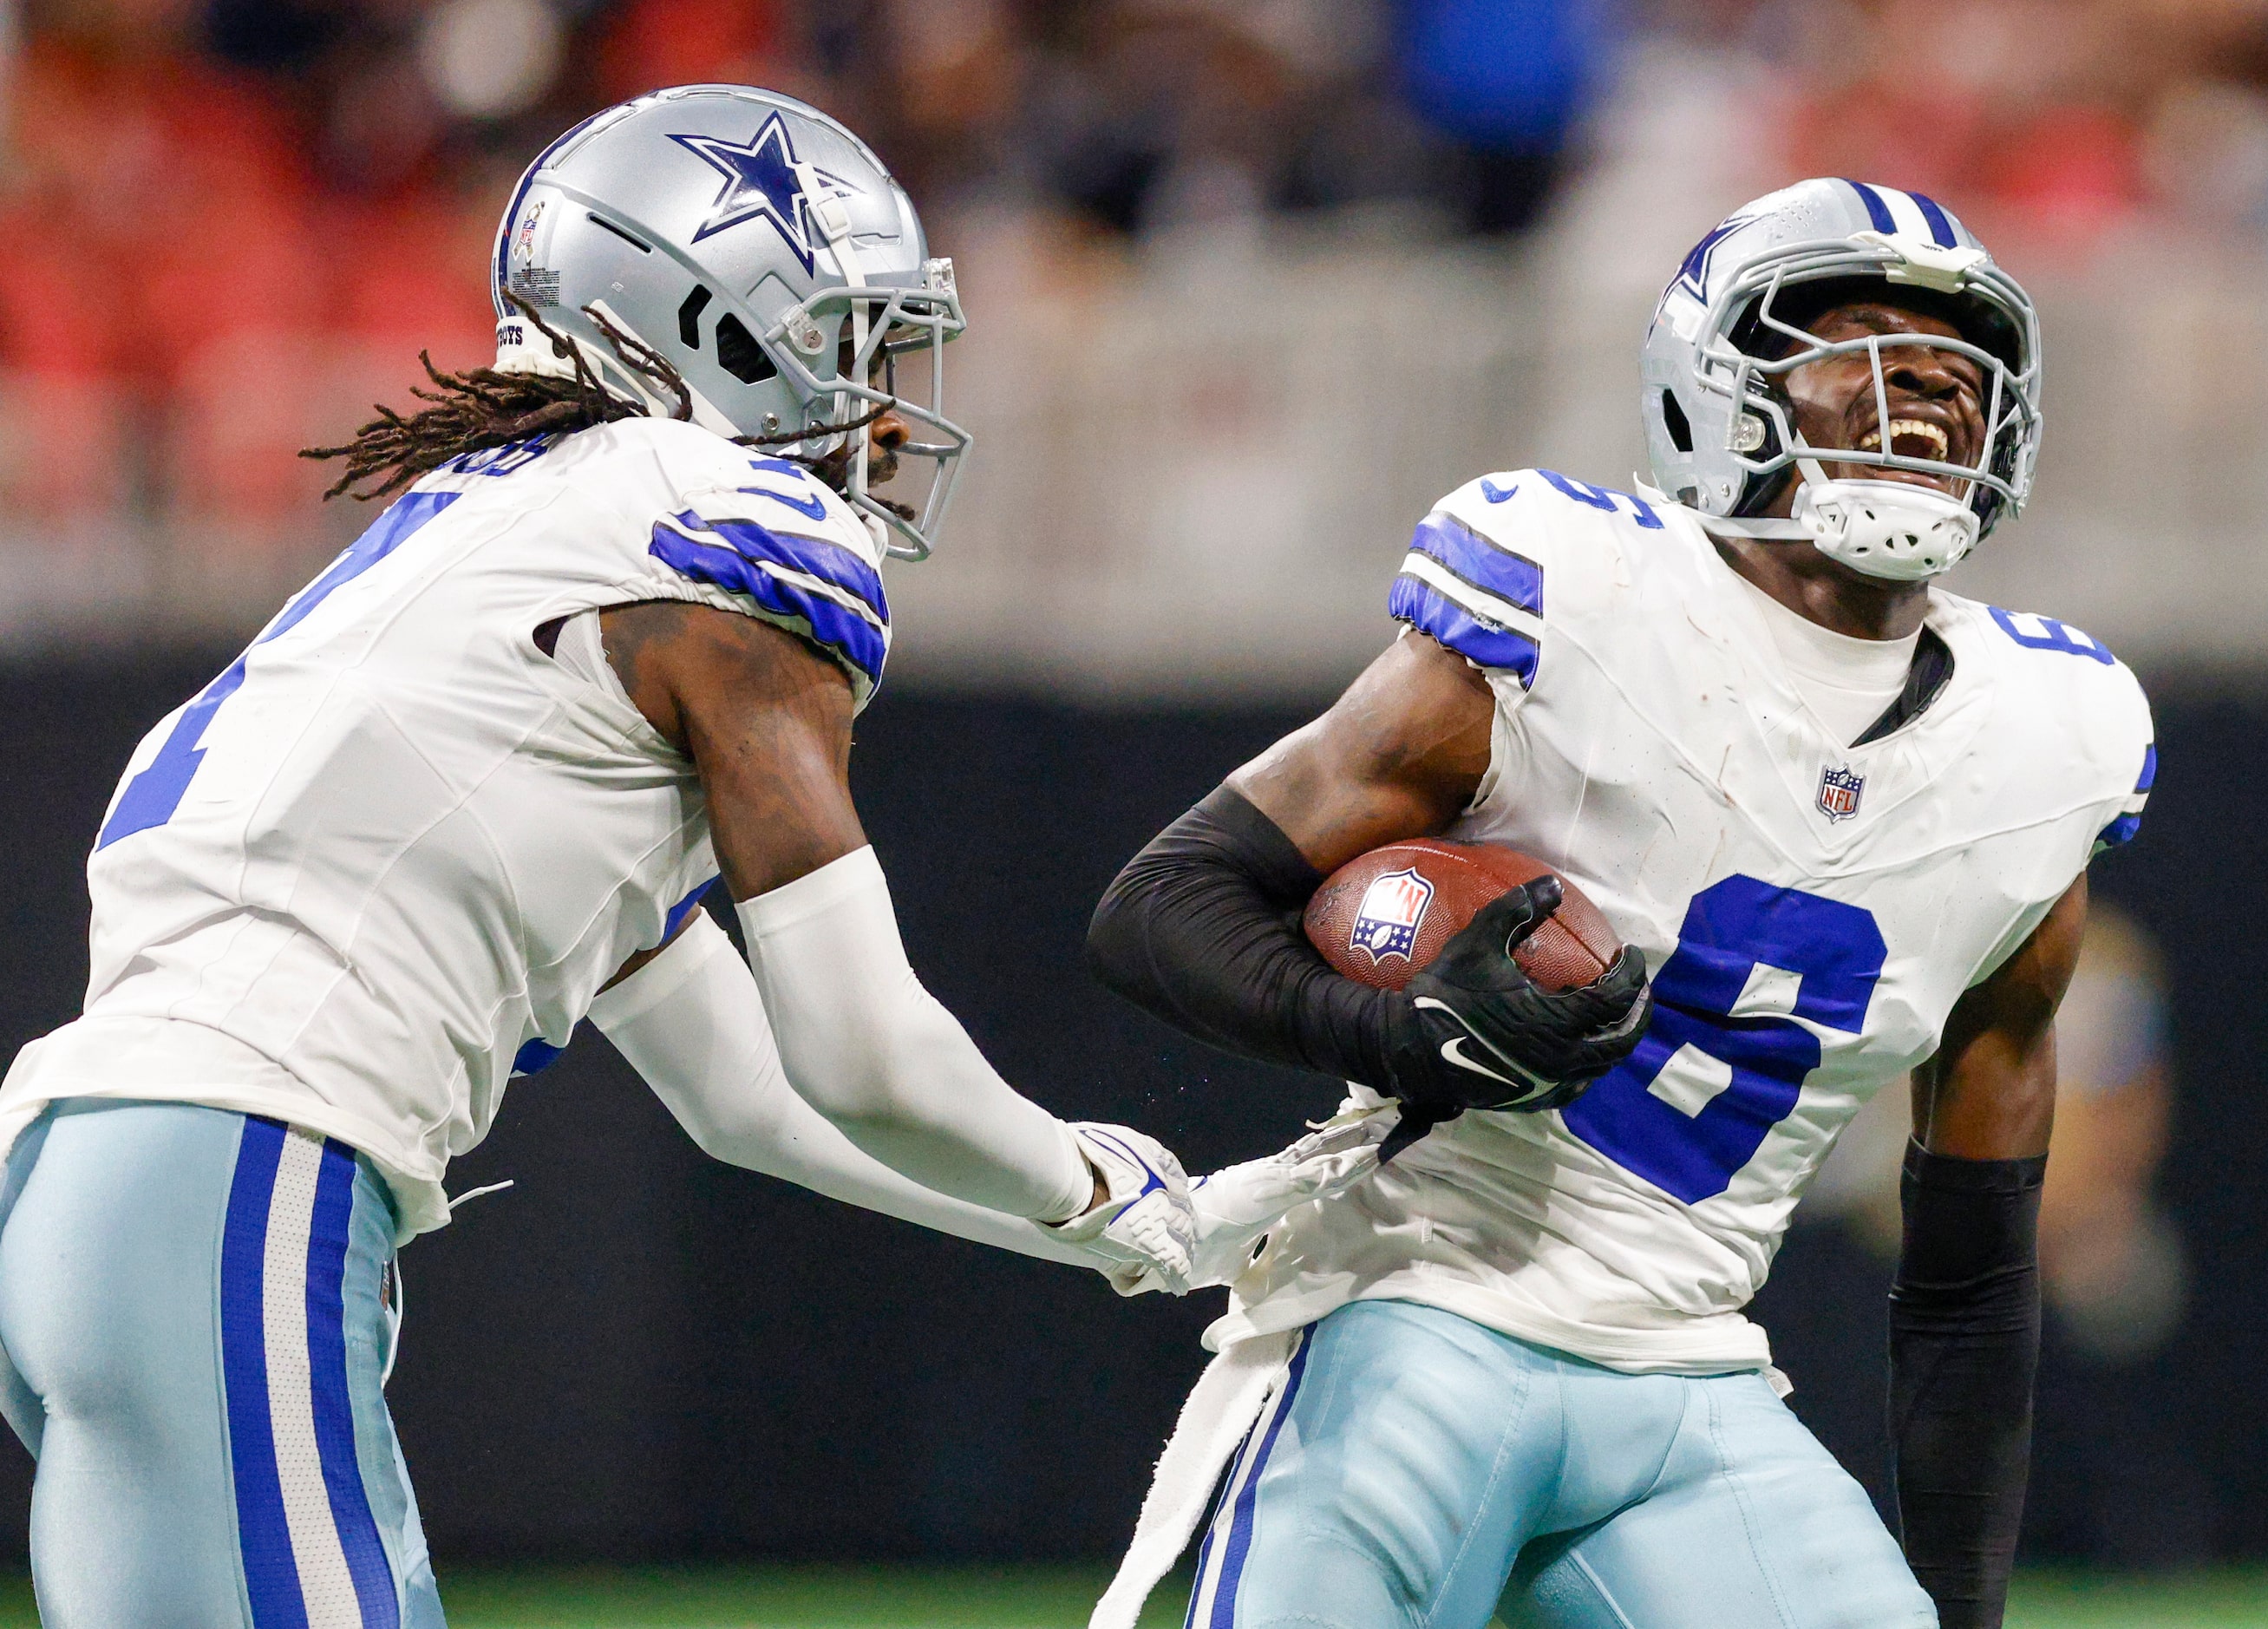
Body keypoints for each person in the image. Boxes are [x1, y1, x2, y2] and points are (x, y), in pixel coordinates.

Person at [0, 85, 1372, 1629]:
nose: (879, 404)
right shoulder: (707, 529)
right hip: (238, 1177)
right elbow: (860, 1054)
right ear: (715, 323)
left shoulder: (511, 550)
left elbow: (750, 1101)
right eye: (852, 340)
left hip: (87, 1184)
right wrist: (1088, 1179)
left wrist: (1145, 1222)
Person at [1086, 178, 2154, 1629]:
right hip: (1417, 1313)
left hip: (1692, 1380)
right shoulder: (1577, 600)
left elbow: (1970, 1259)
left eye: (1953, 361)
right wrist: (1401, 1036)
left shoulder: (2047, 743)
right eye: (1849, 336)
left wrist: (1960, 1600)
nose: (1919, 384)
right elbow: (1165, 901)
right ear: (1714, 385)